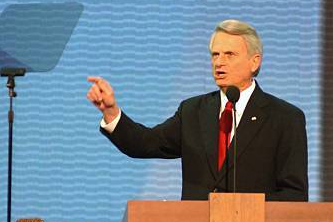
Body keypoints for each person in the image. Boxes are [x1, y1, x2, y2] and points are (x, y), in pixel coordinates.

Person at [86, 19, 308, 201]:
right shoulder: (192, 111)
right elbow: (145, 143)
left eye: (229, 54)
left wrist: (244, 211)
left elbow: (294, 195)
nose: (219, 62)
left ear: (254, 62)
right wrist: (111, 112)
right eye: (215, 54)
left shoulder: (285, 118)